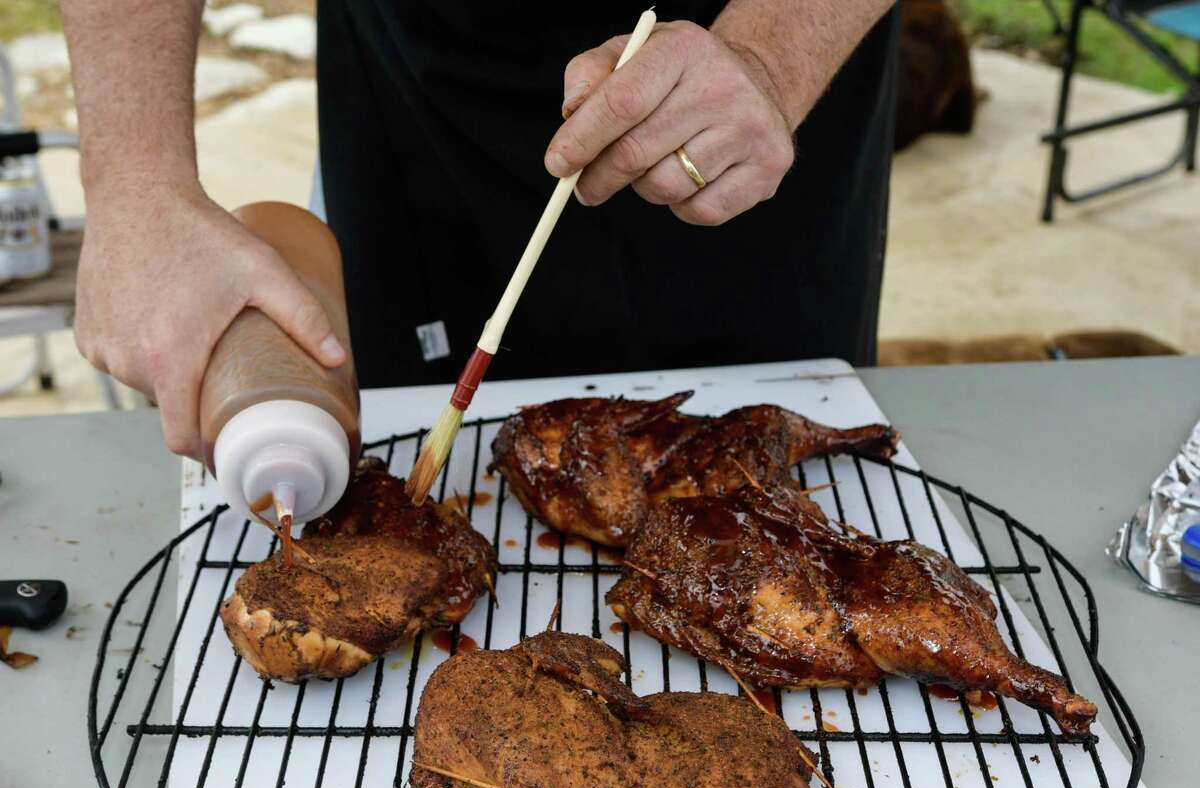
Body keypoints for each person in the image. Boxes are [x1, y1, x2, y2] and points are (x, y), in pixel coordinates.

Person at [61, 1, 898, 460]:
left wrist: (772, 56)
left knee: (762, 468)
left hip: (753, 103)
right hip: (422, 94)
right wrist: (136, 181)